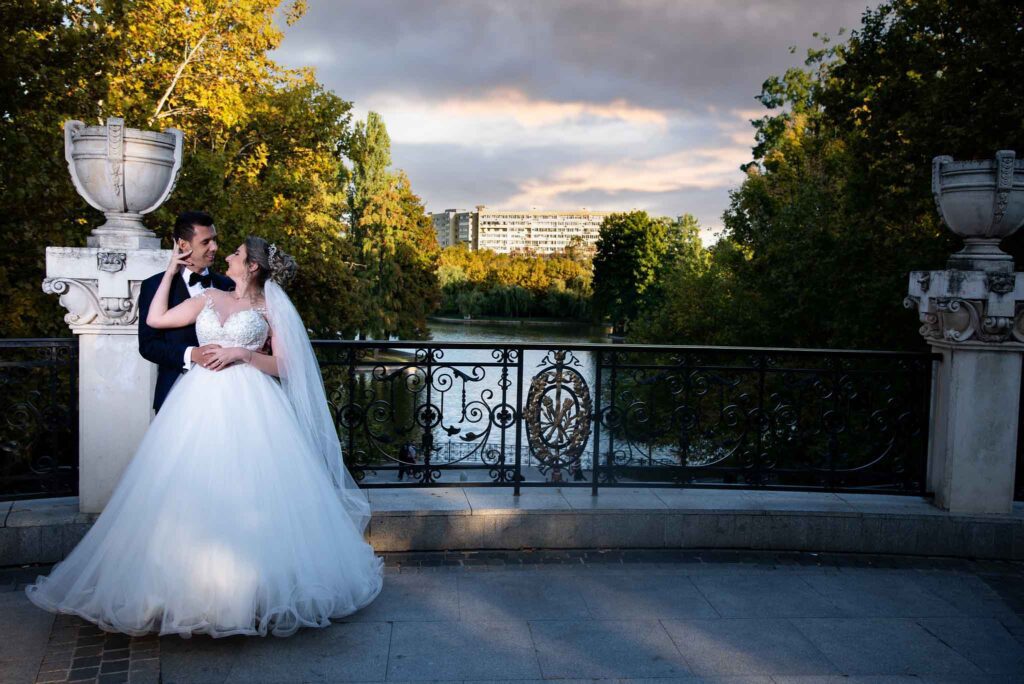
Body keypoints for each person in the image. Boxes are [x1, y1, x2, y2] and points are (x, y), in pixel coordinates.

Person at [25, 236, 383, 638]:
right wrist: (171, 271)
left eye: (236, 254)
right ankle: (180, 593)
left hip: (253, 406)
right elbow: (156, 319)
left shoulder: (270, 309)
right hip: (195, 403)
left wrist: (243, 354)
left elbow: (286, 365)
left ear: (251, 267)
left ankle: (253, 595)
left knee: (251, 494)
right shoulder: (209, 296)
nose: (227, 255)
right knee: (186, 491)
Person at [137, 211, 233, 412]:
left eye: (214, 240)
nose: (214, 247)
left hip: (226, 395)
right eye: (205, 242)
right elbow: (148, 346)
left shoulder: (228, 285)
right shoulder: (154, 286)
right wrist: (191, 354)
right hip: (175, 394)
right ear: (183, 245)